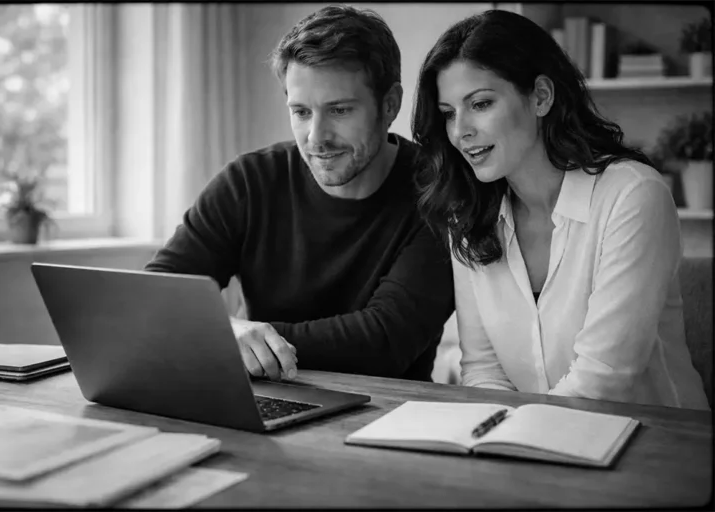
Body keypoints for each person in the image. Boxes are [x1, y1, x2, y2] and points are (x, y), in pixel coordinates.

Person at [412, 9, 709, 409]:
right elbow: (485, 370)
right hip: (537, 448)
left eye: (480, 104)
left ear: (541, 97)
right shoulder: (467, 214)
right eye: (449, 113)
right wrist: (493, 439)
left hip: (653, 450)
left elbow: (602, 380)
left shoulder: (632, 195)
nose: (459, 131)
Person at [145, 5, 454, 383]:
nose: (316, 137)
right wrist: (231, 333)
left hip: (388, 416)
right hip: (263, 400)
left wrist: (243, 339)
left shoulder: (439, 192)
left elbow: (384, 341)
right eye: (301, 112)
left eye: (339, 110)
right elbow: (158, 296)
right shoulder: (250, 181)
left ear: (389, 105)